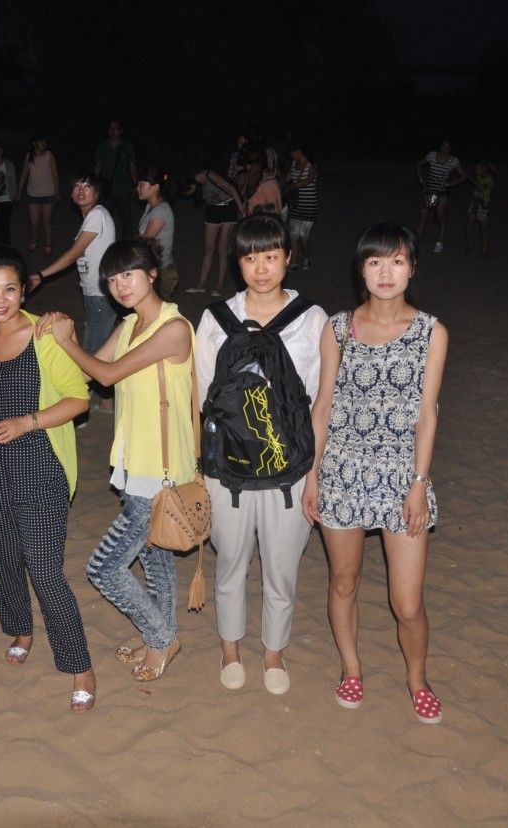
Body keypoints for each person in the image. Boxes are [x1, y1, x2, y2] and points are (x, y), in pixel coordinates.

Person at [303, 222, 449, 724]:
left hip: (401, 477)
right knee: (344, 581)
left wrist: (419, 484)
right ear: (361, 269)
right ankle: (351, 669)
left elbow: (427, 414)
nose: (386, 272)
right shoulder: (339, 328)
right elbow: (323, 406)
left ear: (412, 268)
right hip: (342, 471)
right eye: (375, 262)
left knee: (407, 603)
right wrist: (313, 474)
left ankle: (417, 679)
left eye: (397, 261)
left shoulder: (432, 332)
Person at [36, 238, 195, 683]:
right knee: (155, 558)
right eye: (111, 279)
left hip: (161, 469)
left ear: (152, 273)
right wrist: (59, 334)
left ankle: (161, 637)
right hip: (133, 462)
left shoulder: (174, 328)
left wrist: (67, 341)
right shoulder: (128, 326)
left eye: (128, 274)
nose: (120, 285)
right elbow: (86, 371)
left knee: (104, 569)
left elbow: (107, 375)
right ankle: (160, 637)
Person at [0, 245, 97, 712]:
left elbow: (79, 398)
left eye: (9, 289)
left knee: (45, 570)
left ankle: (80, 665)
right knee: (2, 560)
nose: (0, 299)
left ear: (24, 291)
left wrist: (27, 422)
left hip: (39, 466)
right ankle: (21, 629)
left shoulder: (44, 335)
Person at [196, 213, 327, 692]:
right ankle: (230, 647)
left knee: (281, 568)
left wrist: (313, 473)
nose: (262, 268)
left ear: (288, 258)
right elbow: (201, 397)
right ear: (238, 262)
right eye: (251, 258)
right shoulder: (215, 320)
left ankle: (273, 652)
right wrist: (200, 469)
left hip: (290, 471)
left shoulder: (313, 320)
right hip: (227, 470)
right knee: (230, 562)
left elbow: (321, 402)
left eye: (271, 256)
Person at [29, 172, 118, 412]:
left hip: (101, 295)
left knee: (89, 352)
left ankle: (79, 405)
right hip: (95, 293)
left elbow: (74, 254)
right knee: (100, 348)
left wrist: (41, 275)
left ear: (97, 193)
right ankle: (107, 402)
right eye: (77, 186)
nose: (81, 190)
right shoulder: (91, 217)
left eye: (87, 186)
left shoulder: (97, 215)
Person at [184, 169, 244, 295]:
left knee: (222, 249)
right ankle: (201, 285)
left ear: (191, 185)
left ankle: (219, 285)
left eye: (188, 192)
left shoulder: (210, 176)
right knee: (208, 250)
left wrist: (242, 211)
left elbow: (232, 189)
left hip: (228, 208)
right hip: (212, 211)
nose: (189, 195)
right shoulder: (196, 182)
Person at [415, 140, 467, 254]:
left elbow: (463, 176)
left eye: (447, 147)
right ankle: (415, 243)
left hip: (441, 193)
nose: (444, 149)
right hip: (428, 191)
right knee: (423, 218)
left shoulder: (453, 160)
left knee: (441, 219)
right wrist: (421, 179)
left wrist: (449, 184)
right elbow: (419, 164)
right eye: (443, 146)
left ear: (451, 149)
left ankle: (439, 243)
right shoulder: (432, 155)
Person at [136, 165, 179, 298]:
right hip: (155, 269)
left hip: (162, 272)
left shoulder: (160, 211)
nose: (137, 188)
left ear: (155, 187)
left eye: (141, 184)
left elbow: (144, 243)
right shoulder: (150, 206)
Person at [93, 119, 138, 241]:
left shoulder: (127, 147)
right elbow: (98, 165)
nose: (113, 131)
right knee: (104, 220)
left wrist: (136, 185)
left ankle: (127, 246)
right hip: (107, 189)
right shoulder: (102, 146)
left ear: (121, 130)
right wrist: (94, 184)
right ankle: (105, 245)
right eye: (110, 128)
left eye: (116, 128)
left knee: (126, 221)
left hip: (123, 189)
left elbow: (132, 167)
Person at [16, 133, 59, 253]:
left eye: (44, 141)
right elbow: (24, 175)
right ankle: (34, 241)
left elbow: (55, 174)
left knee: (47, 221)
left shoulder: (49, 155)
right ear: (34, 143)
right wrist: (19, 192)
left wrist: (57, 192)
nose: (43, 144)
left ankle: (48, 244)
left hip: (48, 193)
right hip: (32, 194)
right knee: (34, 222)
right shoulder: (28, 156)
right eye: (40, 141)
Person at [286, 140, 320, 271]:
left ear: (299, 151)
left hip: (308, 205)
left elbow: (309, 180)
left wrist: (294, 185)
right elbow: (286, 179)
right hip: (295, 204)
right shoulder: (294, 164)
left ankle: (307, 257)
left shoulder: (311, 165)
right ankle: (294, 262)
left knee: (303, 235)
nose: (291, 155)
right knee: (293, 234)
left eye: (292, 152)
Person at [464, 160, 496, 257]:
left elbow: (482, 187)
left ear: (484, 169)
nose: (475, 171)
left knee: (483, 231)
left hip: (482, 207)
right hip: (474, 205)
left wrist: (470, 179)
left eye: (477, 169)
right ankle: (470, 248)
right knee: (468, 228)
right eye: (475, 169)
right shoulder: (479, 177)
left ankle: (484, 252)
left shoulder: (489, 180)